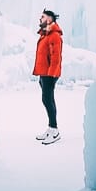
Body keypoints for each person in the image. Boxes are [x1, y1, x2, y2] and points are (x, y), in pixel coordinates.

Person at [33, 8, 63, 144]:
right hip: (44, 73)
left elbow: (56, 57)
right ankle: (51, 128)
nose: (40, 19)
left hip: (49, 74)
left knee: (47, 100)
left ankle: (54, 130)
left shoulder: (54, 36)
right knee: (48, 99)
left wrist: (51, 75)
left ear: (49, 19)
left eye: (43, 17)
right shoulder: (45, 34)